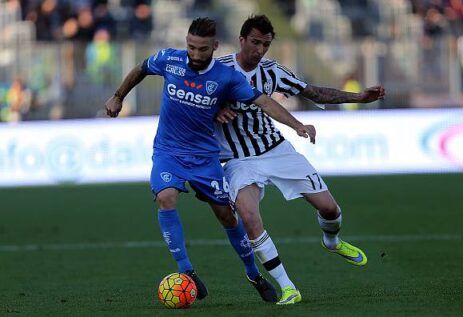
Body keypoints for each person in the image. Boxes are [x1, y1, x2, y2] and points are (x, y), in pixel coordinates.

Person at [104, 17, 317, 303]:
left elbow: (264, 102)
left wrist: (296, 124)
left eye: (202, 49)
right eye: (191, 47)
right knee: (165, 197)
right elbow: (141, 68)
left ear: (214, 47)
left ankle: (253, 273)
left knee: (227, 216)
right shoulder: (170, 59)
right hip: (169, 152)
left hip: (206, 156)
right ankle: (187, 272)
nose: (195, 54)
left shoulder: (226, 78)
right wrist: (118, 96)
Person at [215, 15, 385, 305]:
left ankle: (331, 241)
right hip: (237, 160)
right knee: (249, 216)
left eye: (265, 44)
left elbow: (313, 92)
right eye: (255, 42)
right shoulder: (217, 71)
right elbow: (191, 105)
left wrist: (360, 97)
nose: (259, 50)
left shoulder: (273, 72)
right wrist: (213, 112)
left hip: (276, 150)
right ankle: (288, 287)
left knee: (329, 209)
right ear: (242, 40)